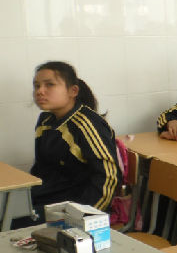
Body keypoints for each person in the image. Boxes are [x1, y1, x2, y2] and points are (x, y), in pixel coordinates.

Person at [25, 61, 121, 221]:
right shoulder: (45, 120)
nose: (40, 91)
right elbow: (41, 168)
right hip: (46, 198)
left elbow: (108, 177)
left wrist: (86, 217)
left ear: (73, 91)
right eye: (37, 86)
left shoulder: (87, 124)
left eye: (49, 85)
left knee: (9, 220)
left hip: (75, 208)